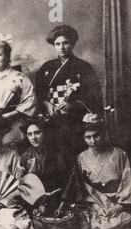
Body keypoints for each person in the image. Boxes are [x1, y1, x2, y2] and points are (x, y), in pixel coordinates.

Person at [35, 25, 103, 164]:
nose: (61, 47)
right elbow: (39, 92)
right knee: (53, 156)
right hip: (53, 117)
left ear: (72, 43)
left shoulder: (83, 67)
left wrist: (72, 105)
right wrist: (47, 104)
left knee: (74, 156)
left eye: (65, 43)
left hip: (75, 120)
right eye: (57, 44)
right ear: (54, 45)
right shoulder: (47, 68)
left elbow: (93, 94)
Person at [61, 114, 131, 229]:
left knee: (126, 218)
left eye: (96, 135)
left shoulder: (119, 153)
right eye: (88, 137)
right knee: (82, 220)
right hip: (93, 204)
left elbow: (128, 182)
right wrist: (97, 207)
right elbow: (82, 189)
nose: (93, 141)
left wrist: (118, 207)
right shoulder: (81, 158)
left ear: (104, 134)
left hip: (118, 202)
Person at [19, 119, 78, 229]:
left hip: (60, 199)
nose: (33, 137)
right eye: (30, 134)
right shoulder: (25, 156)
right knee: (33, 224)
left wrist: (63, 202)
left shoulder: (60, 152)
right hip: (37, 202)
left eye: (37, 133)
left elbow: (71, 178)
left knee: (71, 223)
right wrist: (37, 200)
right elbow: (23, 185)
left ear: (45, 132)